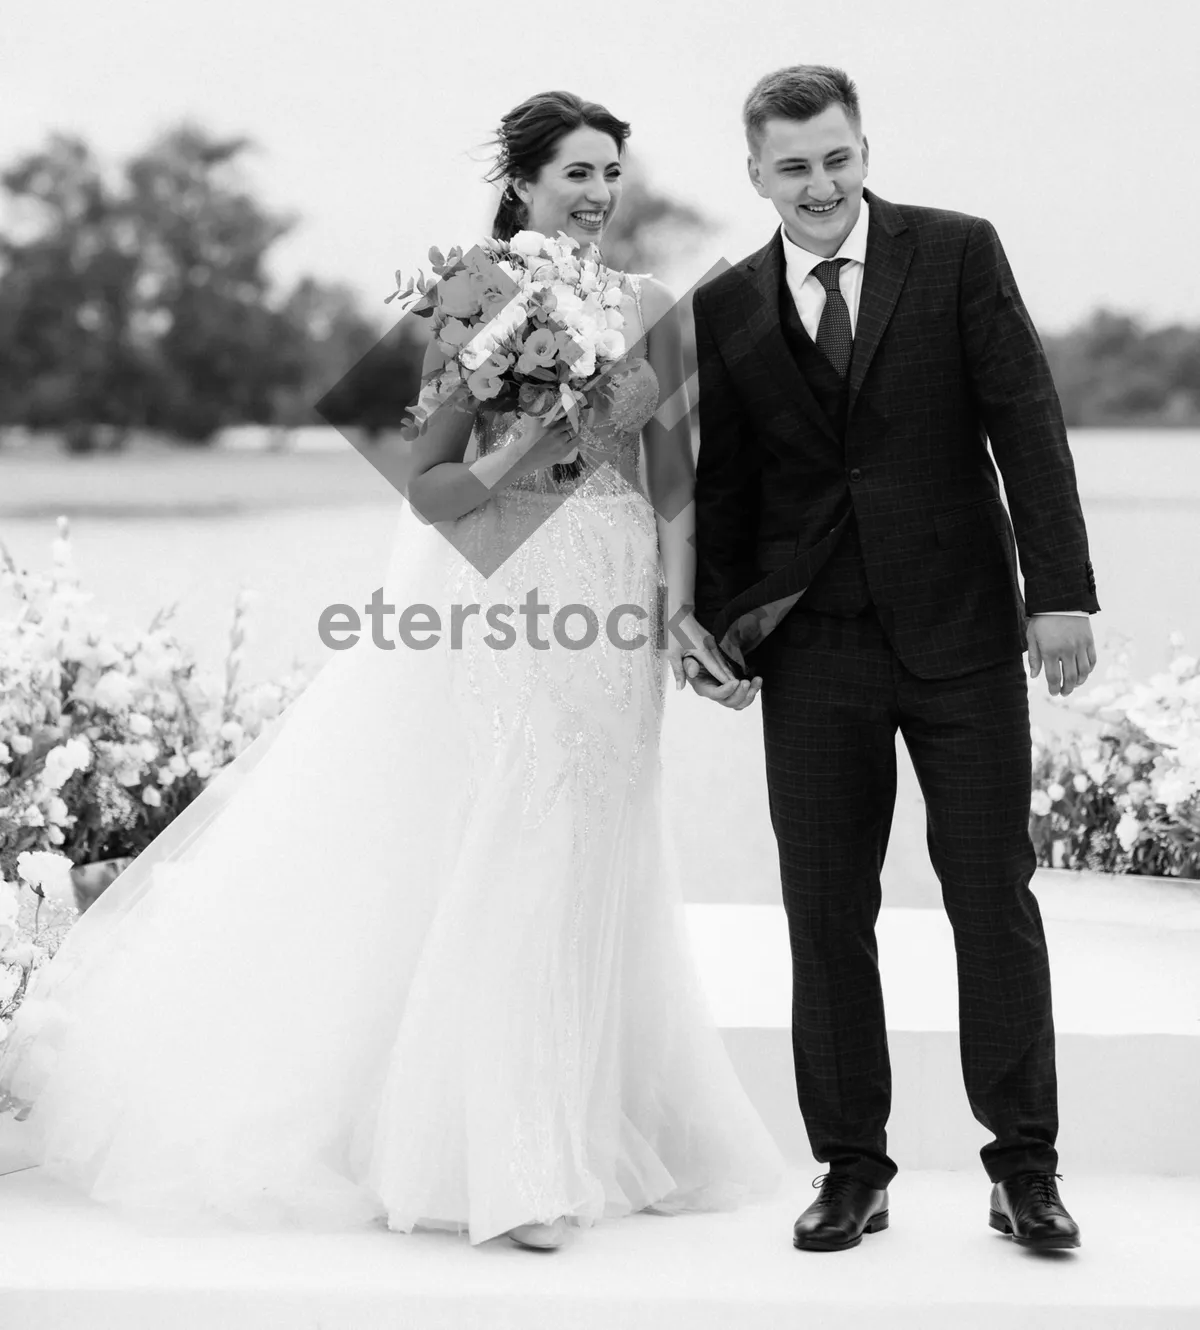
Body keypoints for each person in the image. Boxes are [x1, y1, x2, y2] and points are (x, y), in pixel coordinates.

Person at [0, 89, 783, 1252]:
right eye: (576, 171)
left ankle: (593, 1121)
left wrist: (676, 611)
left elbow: (677, 476)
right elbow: (431, 484)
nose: (598, 193)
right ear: (520, 182)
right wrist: (532, 427)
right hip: (507, 589)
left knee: (607, 837)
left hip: (617, 598)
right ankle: (506, 1162)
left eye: (611, 172)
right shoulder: (476, 293)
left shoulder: (659, 306)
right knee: (519, 828)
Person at [685, 64, 1097, 1255]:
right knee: (825, 913)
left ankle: (1025, 1167)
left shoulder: (957, 251)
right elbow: (731, 484)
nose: (821, 185)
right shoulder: (729, 308)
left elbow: (1027, 417)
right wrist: (718, 622)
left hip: (965, 637)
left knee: (991, 901)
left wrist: (1058, 593)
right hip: (814, 652)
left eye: (837, 158)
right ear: (755, 173)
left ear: (864, 150)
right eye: (794, 166)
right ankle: (852, 1168)